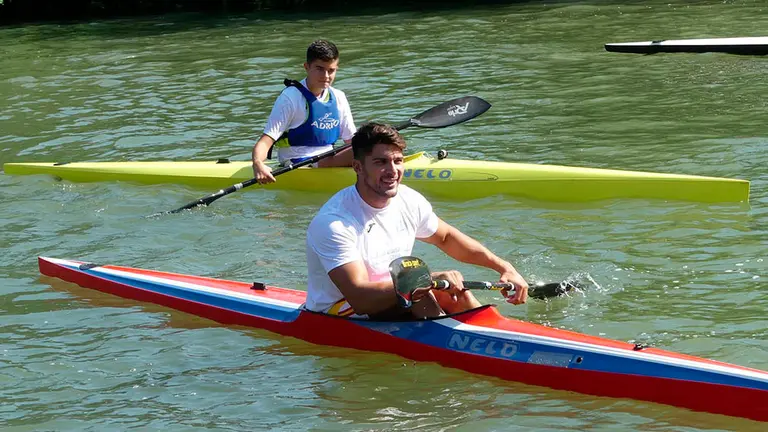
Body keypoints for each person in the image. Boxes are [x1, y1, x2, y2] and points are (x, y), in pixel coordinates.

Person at [305, 122, 529, 319]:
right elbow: (361, 297)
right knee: (422, 292)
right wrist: (427, 280)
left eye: (398, 161)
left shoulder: (408, 199)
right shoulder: (334, 223)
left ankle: (490, 333)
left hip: (396, 294)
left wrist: (504, 267)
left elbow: (447, 238)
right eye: (381, 162)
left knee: (455, 291)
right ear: (358, 167)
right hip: (342, 310)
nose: (392, 171)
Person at [252, 39, 356, 184]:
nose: (326, 76)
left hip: (328, 157)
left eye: (331, 70)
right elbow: (265, 141)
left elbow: (352, 141)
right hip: (298, 163)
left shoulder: (339, 96)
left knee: (371, 143)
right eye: (320, 69)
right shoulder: (290, 97)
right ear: (307, 67)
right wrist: (257, 164)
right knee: (368, 149)